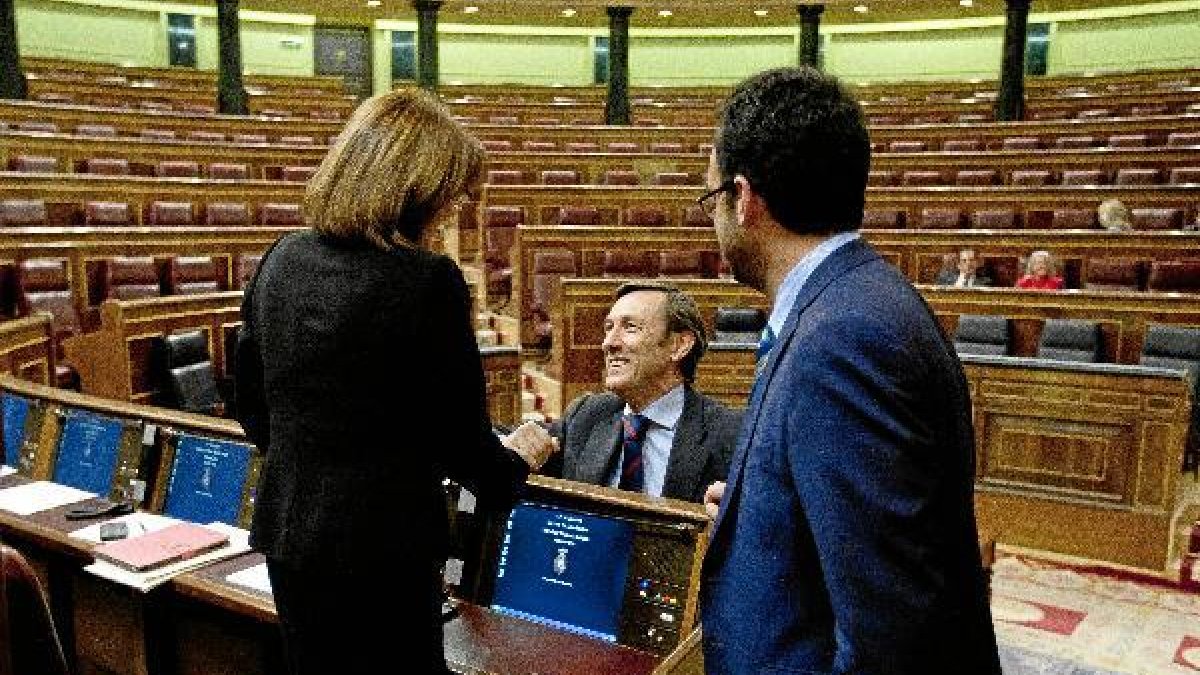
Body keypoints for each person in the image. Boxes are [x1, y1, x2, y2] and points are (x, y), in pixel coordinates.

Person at [234, 88, 557, 675]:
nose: (454, 208)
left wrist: (316, 460)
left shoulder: (279, 259)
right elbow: (464, 446)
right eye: (450, 192)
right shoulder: (427, 281)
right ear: (413, 187)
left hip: (292, 541)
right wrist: (519, 459)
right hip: (383, 554)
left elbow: (251, 406)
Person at [697, 67, 1000, 674]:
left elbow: (889, 636)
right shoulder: (853, 300)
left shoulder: (842, 341)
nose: (712, 220)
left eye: (711, 200)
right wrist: (767, 504)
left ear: (745, 198)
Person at [538, 281, 742, 503]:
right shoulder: (586, 416)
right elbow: (523, 458)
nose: (609, 343)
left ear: (679, 345)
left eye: (630, 327)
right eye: (608, 328)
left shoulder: (731, 435)